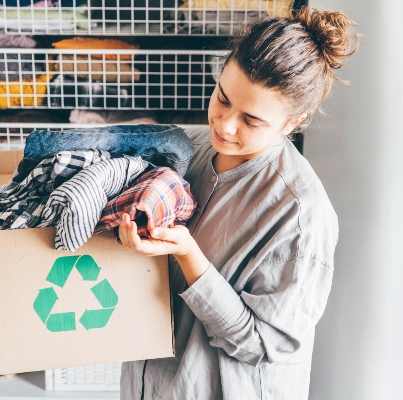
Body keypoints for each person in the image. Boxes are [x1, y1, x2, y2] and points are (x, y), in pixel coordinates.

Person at [117, 7, 360, 400]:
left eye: (251, 120)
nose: (225, 125)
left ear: (292, 122)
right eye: (222, 98)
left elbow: (262, 344)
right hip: (151, 384)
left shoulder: (301, 215)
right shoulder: (189, 148)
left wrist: (188, 256)